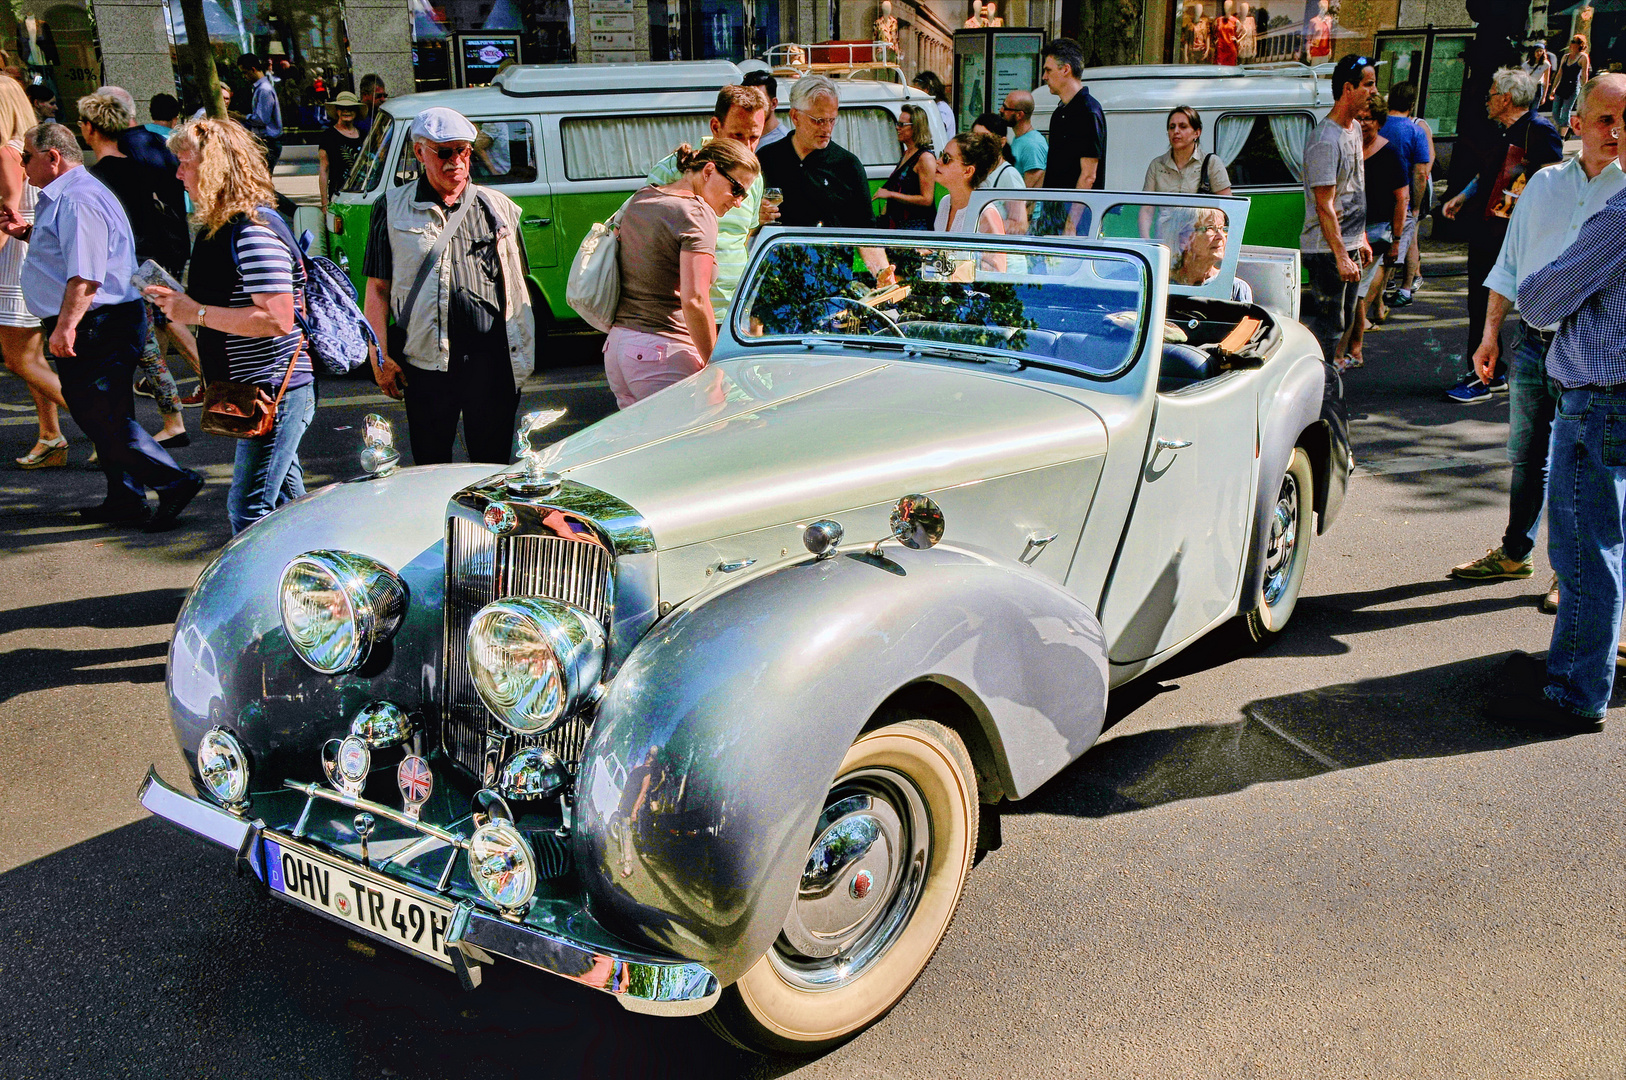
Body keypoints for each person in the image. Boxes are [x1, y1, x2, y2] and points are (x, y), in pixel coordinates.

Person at [1449, 74, 1626, 602]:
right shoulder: (1542, 184)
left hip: (1593, 357)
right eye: (1605, 119)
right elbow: (1509, 264)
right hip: (1532, 342)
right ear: (1576, 122)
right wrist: (1488, 337)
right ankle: (1514, 552)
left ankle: (1567, 573)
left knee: (1584, 468)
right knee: (1527, 455)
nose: (1616, 132)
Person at [1496, 98, 1626, 735]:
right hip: (1611, 398)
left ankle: (1576, 691)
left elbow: (1541, 293)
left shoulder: (1621, 216)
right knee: (1605, 541)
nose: (1618, 136)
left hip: (1600, 398)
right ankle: (1587, 669)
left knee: (1583, 550)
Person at [2, 122, 201, 528]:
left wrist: (64, 327)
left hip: (97, 321)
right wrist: (26, 233)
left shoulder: (77, 199)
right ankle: (125, 498)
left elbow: (86, 275)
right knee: (108, 412)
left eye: (26, 157)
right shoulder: (68, 195)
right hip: (99, 320)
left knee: (98, 415)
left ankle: (173, 480)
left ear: (52, 157)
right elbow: (68, 252)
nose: (22, 166)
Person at [143, 119, 315, 533]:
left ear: (215, 167)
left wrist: (194, 313)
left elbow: (277, 318)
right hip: (258, 387)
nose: (179, 173)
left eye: (185, 163)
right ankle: (312, 587)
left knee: (249, 511)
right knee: (294, 508)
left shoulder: (252, 233)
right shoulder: (228, 227)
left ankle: (258, 596)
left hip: (273, 390)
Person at [362, 107, 537, 465]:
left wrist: (524, 354)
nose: (455, 161)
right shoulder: (392, 208)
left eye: (463, 151)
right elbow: (378, 289)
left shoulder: (498, 207)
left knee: (492, 470)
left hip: (492, 364)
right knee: (430, 466)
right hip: (427, 366)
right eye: (444, 152)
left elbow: (519, 287)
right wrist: (379, 356)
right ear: (419, 152)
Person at [605, 139, 758, 407]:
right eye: (736, 189)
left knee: (645, 446)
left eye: (744, 195)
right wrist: (716, 363)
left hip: (618, 349)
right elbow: (695, 299)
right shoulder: (697, 213)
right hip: (663, 352)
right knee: (702, 439)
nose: (737, 203)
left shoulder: (643, 197)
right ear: (709, 171)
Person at [1441, 68, 1562, 404]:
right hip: (1488, 230)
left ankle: (1486, 376)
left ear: (1506, 98)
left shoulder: (1537, 131)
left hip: (1509, 235)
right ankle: (1484, 372)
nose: (1487, 100)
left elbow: (1555, 181)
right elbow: (1488, 173)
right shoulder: (1505, 131)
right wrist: (1462, 196)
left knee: (1489, 305)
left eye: (1492, 94)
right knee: (1478, 304)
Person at [78, 93, 189, 448]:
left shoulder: (95, 180)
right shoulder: (138, 166)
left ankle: (146, 430)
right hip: (148, 263)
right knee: (151, 345)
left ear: (90, 129)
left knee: (137, 352)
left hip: (120, 274)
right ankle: (171, 420)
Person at [645, 84, 768, 322]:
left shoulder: (755, 176)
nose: (747, 146)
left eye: (754, 137)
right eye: (737, 135)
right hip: (681, 315)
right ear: (715, 126)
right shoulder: (674, 169)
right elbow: (648, 242)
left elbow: (741, 237)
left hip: (733, 315)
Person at [0, 79, 64, 469]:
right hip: (29, 257)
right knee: (32, 358)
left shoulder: (5, 153)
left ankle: (112, 431)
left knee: (20, 360)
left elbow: (7, 215)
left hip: (13, 263)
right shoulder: (21, 149)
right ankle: (50, 435)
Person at [1300, 54, 1374, 366]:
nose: (1373, 91)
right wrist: (1342, 255)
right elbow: (1324, 205)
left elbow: (1353, 188)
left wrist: (1363, 237)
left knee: (1343, 321)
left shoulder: (1354, 129)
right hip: (1327, 250)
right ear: (1348, 88)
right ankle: (1317, 388)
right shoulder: (1325, 140)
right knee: (1329, 327)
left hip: (1351, 243)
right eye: (1368, 85)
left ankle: (1328, 379)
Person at [1332, 93, 1407, 371]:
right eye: (1359, 118)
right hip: (1348, 229)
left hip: (1375, 232)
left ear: (1379, 122)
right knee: (1352, 293)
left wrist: (1397, 241)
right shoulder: (1350, 147)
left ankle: (1347, 352)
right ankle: (1353, 350)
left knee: (1355, 294)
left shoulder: (1390, 153)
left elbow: (1402, 199)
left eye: (1369, 119)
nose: (1363, 123)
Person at [757, 75, 873, 229]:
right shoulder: (767, 158)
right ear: (795, 116)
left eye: (831, 120)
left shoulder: (847, 165)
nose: (827, 129)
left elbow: (867, 232)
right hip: (782, 251)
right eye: (818, 121)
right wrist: (756, 218)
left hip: (832, 252)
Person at [1039, 38, 1107, 235]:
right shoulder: (1059, 112)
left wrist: (1071, 223)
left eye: (1048, 70)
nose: (1044, 77)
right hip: (1053, 215)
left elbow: (1088, 175)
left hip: (1077, 222)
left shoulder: (1088, 111)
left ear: (1065, 69)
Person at [1380, 82, 1433, 307]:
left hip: (1380, 195)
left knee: (1383, 248)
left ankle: (1381, 295)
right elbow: (1422, 172)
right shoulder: (1416, 129)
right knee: (1408, 241)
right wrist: (1417, 205)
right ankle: (1406, 288)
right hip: (1407, 197)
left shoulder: (1377, 125)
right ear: (1411, 104)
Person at [934, 132, 1006, 274]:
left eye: (946, 158)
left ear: (968, 171)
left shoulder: (986, 213)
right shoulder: (944, 203)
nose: (938, 161)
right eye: (942, 154)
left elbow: (997, 272)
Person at [1142, 105, 1233, 196]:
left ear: (1197, 133)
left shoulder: (1212, 163)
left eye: (1183, 126)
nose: (1176, 131)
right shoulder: (1156, 165)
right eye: (1172, 127)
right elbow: (1147, 208)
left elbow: (1226, 206)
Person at [876, 104, 937, 230]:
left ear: (916, 128)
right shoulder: (907, 154)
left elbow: (927, 199)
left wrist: (891, 195)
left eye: (902, 125)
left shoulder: (925, 158)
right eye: (897, 123)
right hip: (898, 225)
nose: (897, 128)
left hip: (916, 228)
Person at [1170, 207, 1251, 302]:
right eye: (1210, 228)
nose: (1221, 237)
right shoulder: (1161, 282)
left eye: (1222, 228)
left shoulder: (1236, 288)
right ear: (1183, 238)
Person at [969, 112, 1028, 234]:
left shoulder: (1008, 175)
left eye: (984, 138)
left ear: (1002, 142)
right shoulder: (977, 171)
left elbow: (1020, 225)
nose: (978, 143)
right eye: (974, 137)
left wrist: (984, 225)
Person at [318, 91, 365, 213]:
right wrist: (324, 204)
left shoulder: (364, 135)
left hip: (362, 196)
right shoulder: (328, 136)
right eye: (342, 108)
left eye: (351, 108)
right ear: (337, 111)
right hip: (338, 197)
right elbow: (324, 169)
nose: (346, 112)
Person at [238, 53, 284, 171]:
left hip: (268, 142)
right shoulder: (260, 88)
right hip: (265, 142)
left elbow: (262, 119)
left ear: (253, 70)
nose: (244, 76)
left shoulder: (264, 89)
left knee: (262, 180)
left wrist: (241, 117)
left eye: (245, 72)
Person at [1000, 90, 1047, 187]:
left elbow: (1028, 192)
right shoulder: (1020, 138)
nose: (1001, 110)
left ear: (1019, 115)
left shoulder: (1032, 145)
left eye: (1005, 108)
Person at [1553, 35, 1590, 136]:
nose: (1571, 44)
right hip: (1562, 86)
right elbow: (1559, 73)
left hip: (1573, 87)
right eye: (1571, 41)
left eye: (1574, 42)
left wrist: (1584, 89)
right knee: (1555, 113)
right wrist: (1553, 88)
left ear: (1579, 45)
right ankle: (1566, 126)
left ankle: (1562, 137)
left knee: (1566, 111)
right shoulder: (1565, 57)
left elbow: (1584, 74)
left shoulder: (1583, 57)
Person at [742, 70, 788, 151]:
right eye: (746, 101)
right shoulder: (739, 138)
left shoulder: (785, 143)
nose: (752, 106)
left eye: (759, 101)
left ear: (773, 104)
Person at [912, 71, 954, 137]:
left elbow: (937, 128)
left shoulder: (942, 108)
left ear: (927, 89)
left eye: (917, 91)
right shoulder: (931, 107)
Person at [1524, 45, 1553, 109]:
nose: (1539, 53)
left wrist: (1544, 96)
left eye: (1541, 51)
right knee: (1525, 110)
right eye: (1537, 51)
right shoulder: (1526, 65)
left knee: (1533, 110)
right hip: (1528, 87)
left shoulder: (1545, 64)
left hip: (1538, 87)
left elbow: (1546, 81)